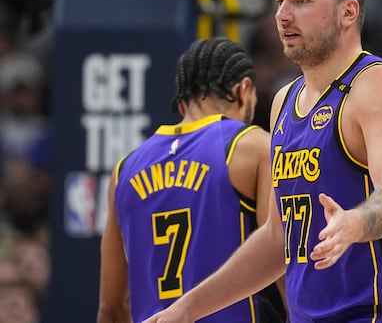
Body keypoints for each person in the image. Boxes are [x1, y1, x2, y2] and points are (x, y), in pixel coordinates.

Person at [143, 0, 382, 323]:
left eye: (301, 1)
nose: (283, 15)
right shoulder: (285, 100)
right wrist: (187, 310)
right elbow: (276, 241)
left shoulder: (378, 85)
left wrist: (355, 222)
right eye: (279, 2)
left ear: (348, 12)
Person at [97, 37, 286, 323]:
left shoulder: (124, 171)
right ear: (243, 90)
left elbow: (111, 308)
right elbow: (280, 256)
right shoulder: (253, 146)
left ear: (183, 105)